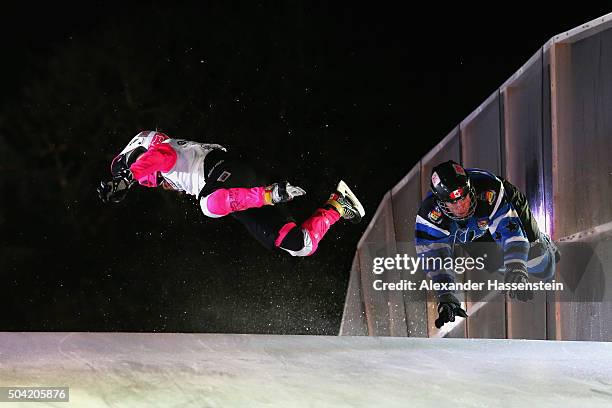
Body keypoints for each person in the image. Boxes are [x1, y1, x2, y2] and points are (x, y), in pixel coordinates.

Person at [98, 130, 365, 257]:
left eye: (150, 181)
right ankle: (339, 205)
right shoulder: (168, 162)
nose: (155, 185)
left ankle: (272, 194)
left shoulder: (163, 152)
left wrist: (128, 176)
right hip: (237, 195)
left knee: (207, 205)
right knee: (299, 244)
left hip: (228, 175)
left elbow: (156, 158)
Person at [415, 160, 560, 329]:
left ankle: (543, 241)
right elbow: (435, 261)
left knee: (540, 264)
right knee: (498, 265)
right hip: (471, 231)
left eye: (464, 197)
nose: (462, 205)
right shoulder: (429, 218)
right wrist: (446, 296)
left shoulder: (489, 191)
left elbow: (510, 232)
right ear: (441, 203)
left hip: (503, 204)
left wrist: (517, 266)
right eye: (454, 202)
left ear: (471, 190)